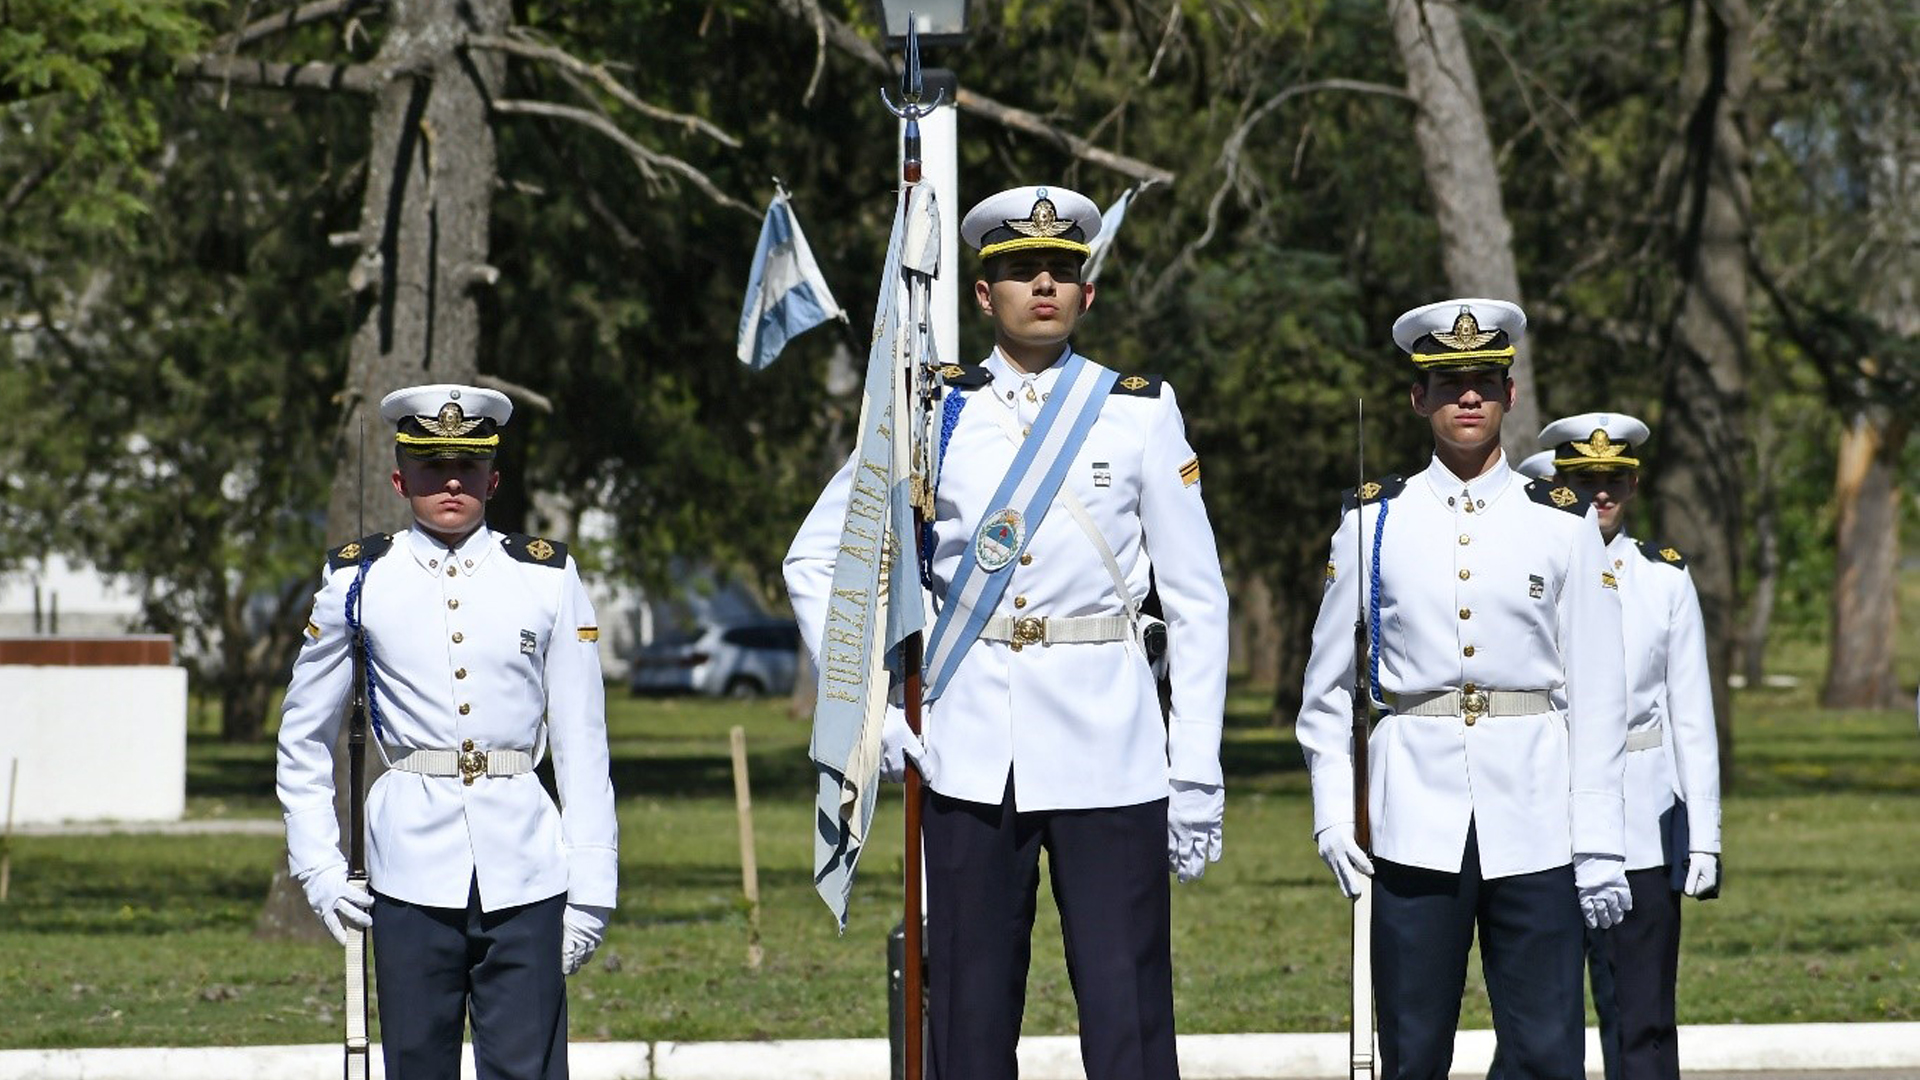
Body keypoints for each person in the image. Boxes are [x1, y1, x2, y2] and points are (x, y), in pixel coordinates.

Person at [785, 185, 1230, 1080]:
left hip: (1112, 746)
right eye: (1020, 272)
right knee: (967, 1011)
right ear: (982, 296)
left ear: (1087, 295)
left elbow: (1197, 601)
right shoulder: (928, 409)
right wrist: (872, 704)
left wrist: (1197, 768)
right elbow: (814, 560)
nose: (1043, 285)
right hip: (969, 749)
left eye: (1061, 272)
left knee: (1127, 1008)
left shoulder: (1138, 411)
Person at [1296, 299, 1631, 1080]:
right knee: (1413, 1054)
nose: (1468, 397)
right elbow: (1325, 691)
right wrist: (1330, 811)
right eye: (1449, 384)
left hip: (1538, 817)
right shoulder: (1372, 520)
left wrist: (1601, 840)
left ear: (1511, 395)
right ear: (1419, 399)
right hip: (1412, 812)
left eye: (1484, 381)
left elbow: (1599, 691)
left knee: (1549, 1051)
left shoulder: (1562, 519)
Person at [276, 384, 618, 1080]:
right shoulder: (358, 578)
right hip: (407, 872)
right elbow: (303, 737)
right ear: (402, 478)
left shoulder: (545, 577)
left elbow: (583, 744)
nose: (451, 481)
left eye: (468, 464)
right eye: (432, 465)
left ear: (496, 475)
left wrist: (591, 891)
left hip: (527, 869)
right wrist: (316, 862)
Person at [1496, 412, 1721, 1080]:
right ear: (1557, 484)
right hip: (1541, 816)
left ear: (1634, 485)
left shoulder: (1664, 579)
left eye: (1614, 480)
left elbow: (1691, 717)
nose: (1600, 493)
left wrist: (1702, 835)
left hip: (1639, 823)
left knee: (1641, 1017)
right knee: (1535, 1020)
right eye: (1583, 479)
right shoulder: (1519, 567)